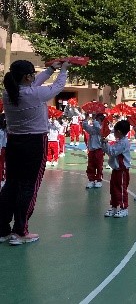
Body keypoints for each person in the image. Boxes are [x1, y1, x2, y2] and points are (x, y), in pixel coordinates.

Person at [0, 60, 69, 245]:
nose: (33, 77)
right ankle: (20, 231)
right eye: (32, 74)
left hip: (14, 142)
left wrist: (51, 69)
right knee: (29, 186)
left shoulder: (9, 93)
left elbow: (34, 84)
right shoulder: (35, 94)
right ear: (27, 77)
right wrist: (63, 70)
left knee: (11, 185)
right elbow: (58, 86)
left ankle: (2, 229)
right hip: (34, 143)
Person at [101, 120, 132, 218]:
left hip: (122, 170)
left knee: (121, 189)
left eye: (114, 131)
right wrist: (104, 144)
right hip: (116, 169)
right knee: (113, 189)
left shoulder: (123, 143)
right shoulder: (119, 141)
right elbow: (110, 151)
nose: (113, 132)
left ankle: (124, 208)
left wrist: (105, 143)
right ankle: (114, 206)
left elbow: (113, 152)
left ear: (119, 132)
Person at [83, 113, 106, 188]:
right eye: (96, 119)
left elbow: (98, 128)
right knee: (90, 166)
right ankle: (91, 180)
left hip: (99, 150)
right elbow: (85, 126)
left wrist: (94, 120)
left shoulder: (102, 129)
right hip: (91, 150)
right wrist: (86, 118)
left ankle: (99, 180)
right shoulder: (92, 129)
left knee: (99, 166)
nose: (96, 121)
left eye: (98, 120)